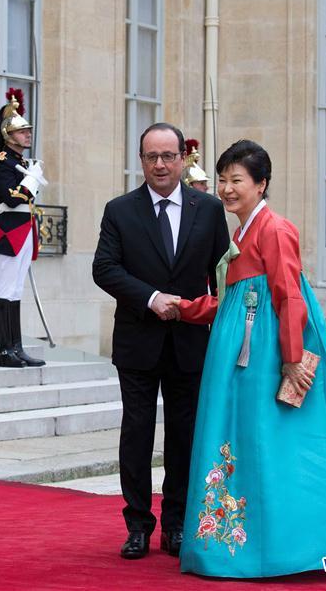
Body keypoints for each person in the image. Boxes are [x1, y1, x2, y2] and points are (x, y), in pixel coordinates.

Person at [173, 139, 326, 577]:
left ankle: (297, 547)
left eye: (237, 180)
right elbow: (231, 301)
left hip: (267, 350)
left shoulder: (275, 228)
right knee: (250, 440)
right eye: (222, 179)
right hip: (243, 350)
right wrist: (185, 307)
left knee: (281, 441)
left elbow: (287, 294)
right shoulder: (243, 232)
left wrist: (291, 357)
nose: (226, 189)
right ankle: (250, 543)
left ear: (262, 184)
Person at [92, 123, 230, 559]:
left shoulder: (208, 209)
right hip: (138, 342)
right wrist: (151, 298)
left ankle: (175, 525)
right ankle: (137, 526)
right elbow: (104, 268)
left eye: (168, 155)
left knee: (184, 437)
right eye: (152, 156)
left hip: (190, 342)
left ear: (183, 159)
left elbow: (224, 275)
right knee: (136, 434)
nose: (160, 164)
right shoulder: (120, 210)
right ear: (141, 161)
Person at [0, 89, 46, 368]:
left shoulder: (21, 163)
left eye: (28, 130)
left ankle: (17, 346)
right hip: (9, 227)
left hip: (23, 226)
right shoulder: (1, 162)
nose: (27, 135)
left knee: (17, 289)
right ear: (9, 134)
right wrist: (29, 182)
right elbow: (10, 197)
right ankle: (5, 349)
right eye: (22, 131)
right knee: (6, 287)